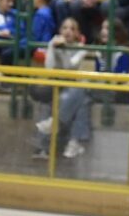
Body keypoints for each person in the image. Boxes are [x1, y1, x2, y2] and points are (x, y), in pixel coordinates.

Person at [32, 17, 93, 161]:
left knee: (79, 94)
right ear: (60, 30)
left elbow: (69, 67)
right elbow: (49, 67)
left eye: (72, 29)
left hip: (70, 86)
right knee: (77, 101)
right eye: (65, 28)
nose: (68, 31)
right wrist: (53, 47)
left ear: (78, 33)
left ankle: (54, 123)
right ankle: (46, 147)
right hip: (54, 84)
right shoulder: (53, 43)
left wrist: (62, 50)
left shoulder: (81, 49)